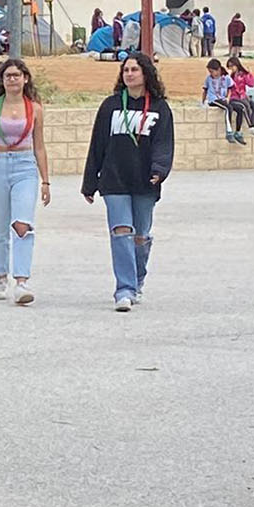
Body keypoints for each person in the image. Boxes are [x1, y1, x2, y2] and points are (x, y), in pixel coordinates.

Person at [81, 52, 174, 312]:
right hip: (114, 179)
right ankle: (124, 289)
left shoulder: (160, 108)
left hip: (144, 180)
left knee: (140, 236)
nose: (129, 74)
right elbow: (97, 144)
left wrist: (160, 170)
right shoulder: (110, 106)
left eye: (134, 70)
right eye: (126, 70)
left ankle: (137, 278)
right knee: (121, 231)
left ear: (146, 73)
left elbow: (164, 144)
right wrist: (90, 182)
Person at [0, 58, 50, 305]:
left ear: (25, 78)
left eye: (16, 75)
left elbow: (40, 146)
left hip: (25, 166)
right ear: (1, 81)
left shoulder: (35, 108)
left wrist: (45, 181)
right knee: (0, 226)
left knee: (22, 223)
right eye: (8, 76)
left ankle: (22, 281)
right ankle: (1, 274)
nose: (12, 79)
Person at [225, 56, 254, 141]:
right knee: (245, 106)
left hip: (242, 96)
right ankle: (251, 126)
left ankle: (253, 124)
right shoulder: (230, 76)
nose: (231, 68)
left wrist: (250, 74)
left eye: (232, 66)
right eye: (229, 67)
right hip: (234, 97)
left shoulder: (243, 74)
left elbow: (251, 84)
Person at [201, 58, 234, 138]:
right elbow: (205, 91)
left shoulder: (226, 78)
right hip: (213, 99)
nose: (211, 74)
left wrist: (228, 97)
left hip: (222, 99)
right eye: (210, 72)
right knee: (228, 108)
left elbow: (230, 89)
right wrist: (203, 102)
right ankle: (229, 130)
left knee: (232, 107)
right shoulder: (209, 79)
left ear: (218, 70)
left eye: (212, 71)